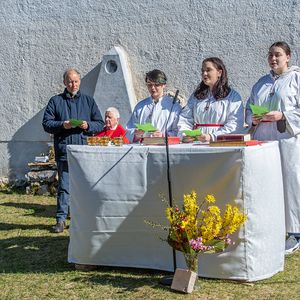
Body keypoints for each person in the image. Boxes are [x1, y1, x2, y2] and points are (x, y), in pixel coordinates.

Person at [245, 41, 300, 255]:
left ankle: (295, 232)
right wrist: (254, 118)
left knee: (290, 183)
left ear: (288, 57)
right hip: (264, 138)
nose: (273, 59)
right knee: (266, 182)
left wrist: (283, 115)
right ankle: (271, 229)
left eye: (277, 55)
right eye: (270, 55)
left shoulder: (296, 79)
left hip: (286, 138)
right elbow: (249, 108)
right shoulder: (261, 83)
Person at [43, 68, 104, 233]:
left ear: (80, 81)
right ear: (64, 83)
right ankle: (61, 220)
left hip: (83, 151)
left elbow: (100, 124)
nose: (73, 84)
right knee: (64, 186)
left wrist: (88, 125)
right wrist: (63, 125)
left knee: (85, 186)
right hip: (65, 150)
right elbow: (46, 123)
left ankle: (83, 218)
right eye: (70, 81)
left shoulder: (89, 101)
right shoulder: (55, 101)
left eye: (76, 81)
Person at [178, 57, 244, 142]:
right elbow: (185, 118)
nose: (204, 74)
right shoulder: (196, 96)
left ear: (219, 72)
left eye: (208, 70)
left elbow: (235, 124)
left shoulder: (232, 96)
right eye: (202, 71)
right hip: (197, 141)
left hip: (220, 142)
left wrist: (213, 136)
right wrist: (184, 134)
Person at [126, 69, 182, 143]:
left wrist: (162, 134)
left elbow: (180, 132)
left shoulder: (174, 106)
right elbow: (129, 129)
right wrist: (136, 134)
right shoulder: (140, 106)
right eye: (149, 84)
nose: (152, 87)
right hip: (144, 149)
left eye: (156, 84)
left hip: (164, 148)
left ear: (164, 84)